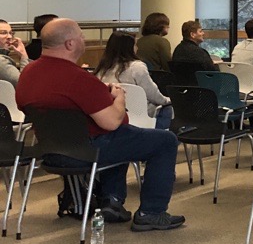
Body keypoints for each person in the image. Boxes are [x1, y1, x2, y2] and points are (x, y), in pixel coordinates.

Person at [16, 18, 184, 231]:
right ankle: (151, 212)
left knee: (125, 138)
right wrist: (119, 97)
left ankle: (112, 201)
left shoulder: (28, 74)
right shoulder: (77, 78)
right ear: (70, 44)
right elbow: (113, 121)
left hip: (49, 151)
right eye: (81, 36)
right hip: (88, 151)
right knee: (165, 141)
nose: (83, 40)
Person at [95, 31, 173, 130]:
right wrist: (168, 100)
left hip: (112, 116)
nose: (137, 48)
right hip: (142, 117)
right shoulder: (137, 67)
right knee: (168, 108)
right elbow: (153, 95)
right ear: (129, 48)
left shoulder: (101, 69)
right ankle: (162, 138)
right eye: (135, 45)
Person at [0, 19, 30, 86]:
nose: (9, 37)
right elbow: (24, 84)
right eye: (3, 33)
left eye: (11, 33)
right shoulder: (1, 61)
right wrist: (23, 56)